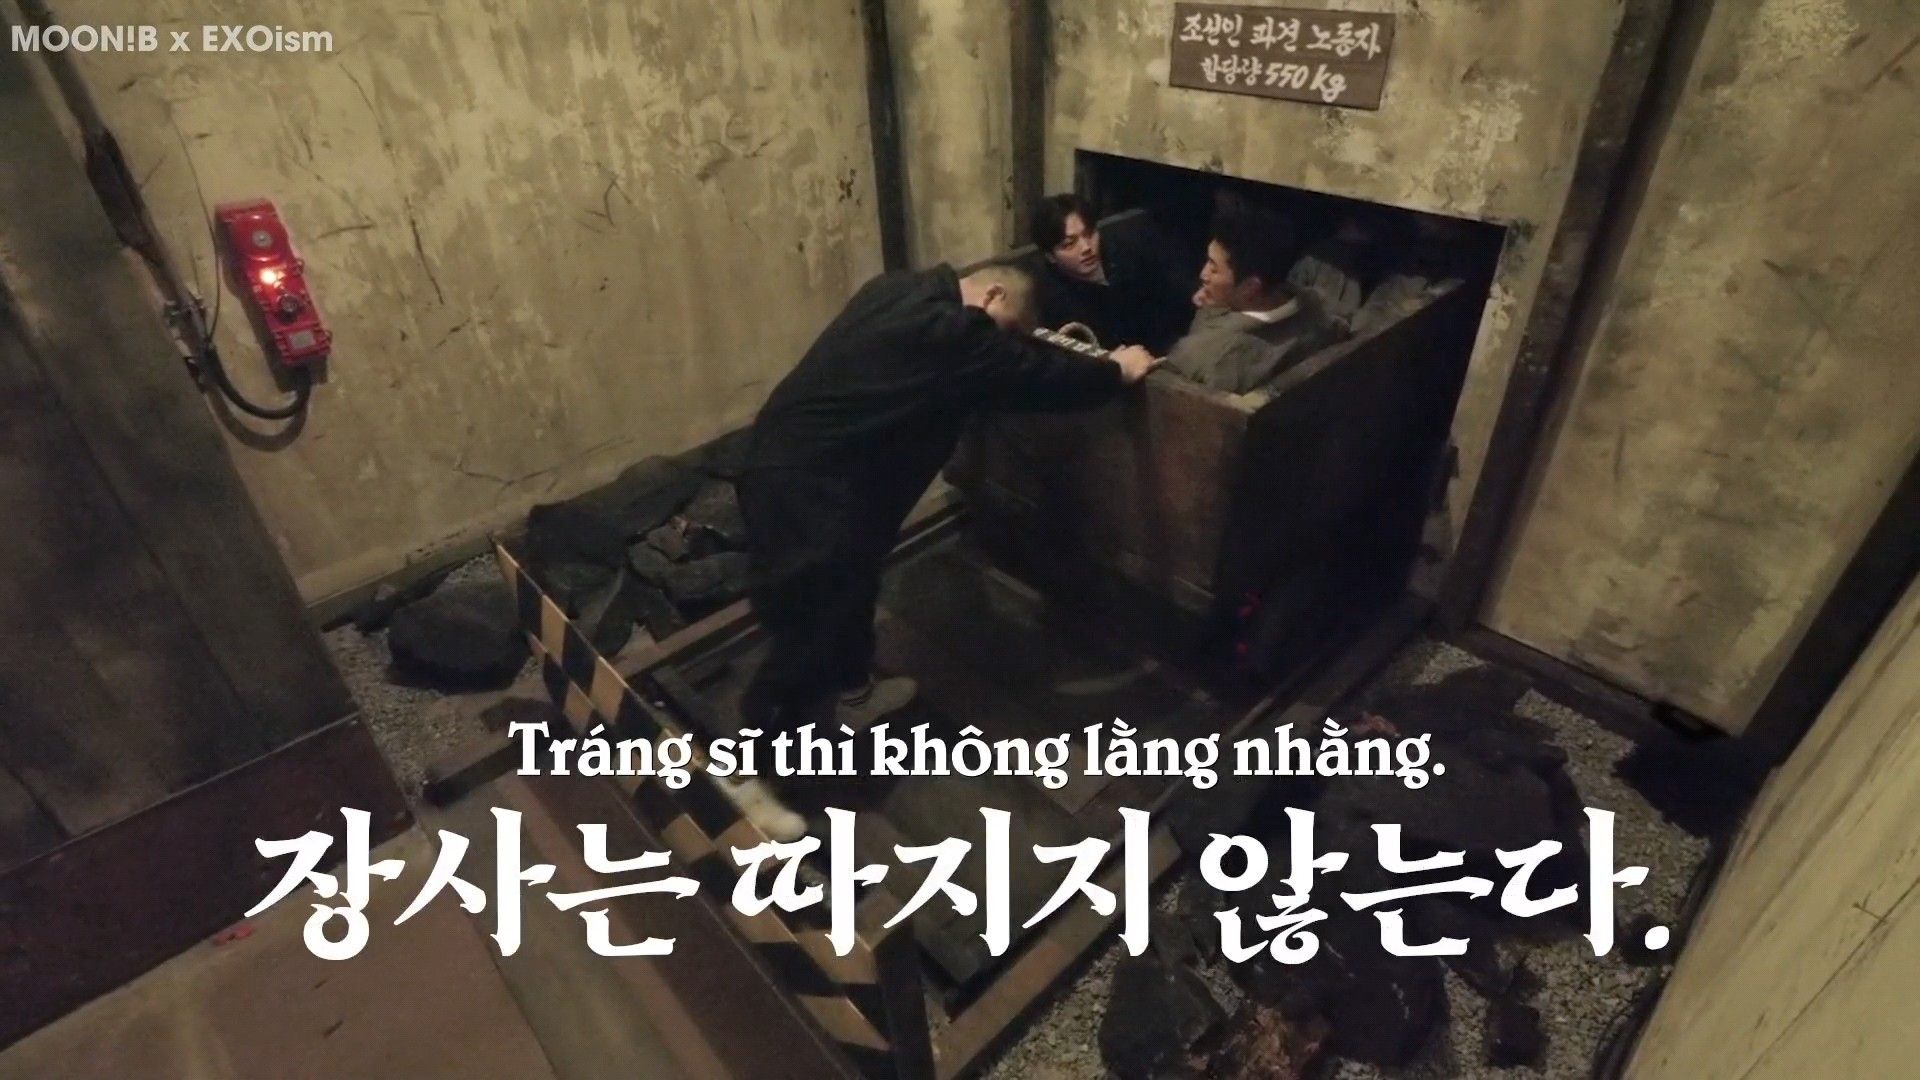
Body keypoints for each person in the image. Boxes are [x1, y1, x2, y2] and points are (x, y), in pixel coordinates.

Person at [737, 261, 1156, 837]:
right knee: (808, 630)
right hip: (809, 492)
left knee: (852, 583)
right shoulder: (955, 334)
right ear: (993, 295)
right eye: (1009, 329)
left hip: (814, 472)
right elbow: (1036, 377)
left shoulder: (901, 289)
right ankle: (756, 781)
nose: (1003, 344)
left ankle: (855, 695)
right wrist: (1116, 369)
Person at [1162, 201, 1347, 394]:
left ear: (1250, 287)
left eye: (1213, 268)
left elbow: (1175, 373)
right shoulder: (1321, 311)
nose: (1203, 274)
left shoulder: (1215, 356)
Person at [1025, 194, 1192, 355]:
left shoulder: (1127, 253)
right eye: (1070, 244)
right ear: (1050, 256)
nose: (1086, 247)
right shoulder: (1051, 299)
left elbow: (1174, 294)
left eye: (1089, 234)